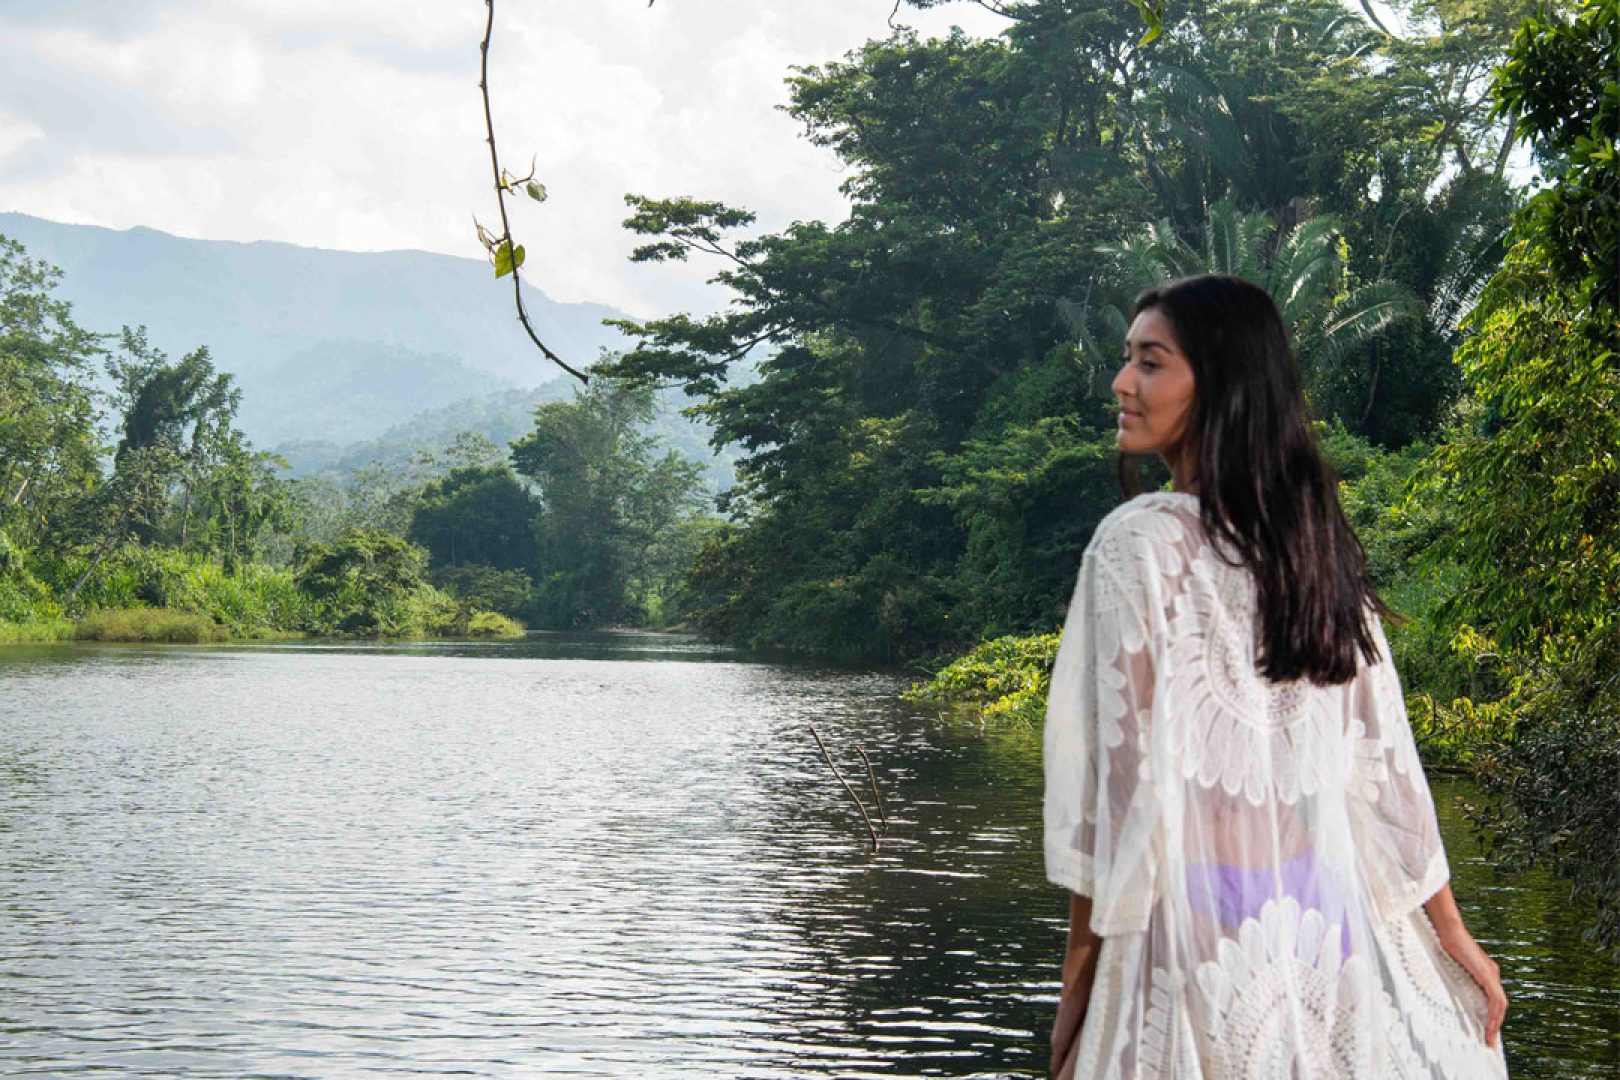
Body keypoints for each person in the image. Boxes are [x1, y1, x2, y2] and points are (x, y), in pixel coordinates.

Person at [1042, 274, 1509, 1079]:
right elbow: (1384, 762)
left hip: (1186, 933)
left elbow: (1115, 788)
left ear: (1218, 383)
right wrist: (1451, 933)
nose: (1121, 383)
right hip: (1322, 928)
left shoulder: (1137, 544)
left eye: (1151, 363)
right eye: (1128, 360)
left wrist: (1079, 980)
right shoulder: (1312, 550)